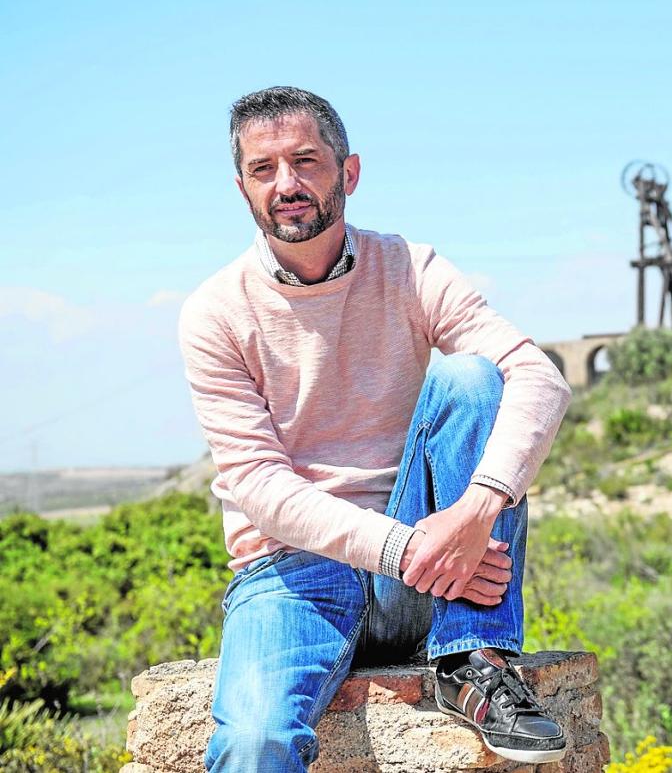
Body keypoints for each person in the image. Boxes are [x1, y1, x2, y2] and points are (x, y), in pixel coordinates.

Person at [176, 86, 573, 772]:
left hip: (431, 574)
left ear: (348, 173)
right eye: (264, 169)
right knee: (253, 743)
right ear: (241, 188)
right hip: (290, 575)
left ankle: (473, 659)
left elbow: (540, 376)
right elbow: (261, 488)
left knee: (473, 378)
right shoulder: (214, 312)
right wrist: (408, 549)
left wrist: (476, 512)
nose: (287, 185)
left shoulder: (411, 268)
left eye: (306, 161)